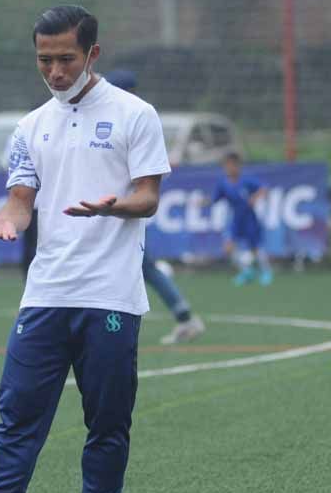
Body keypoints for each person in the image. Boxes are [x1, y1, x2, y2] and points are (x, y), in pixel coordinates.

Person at [0, 4, 170, 493]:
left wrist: (116, 205)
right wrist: (7, 222)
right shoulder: (29, 127)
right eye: (44, 60)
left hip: (111, 295)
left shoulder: (136, 114)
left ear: (92, 54)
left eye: (65, 59)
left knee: (107, 419)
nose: (53, 71)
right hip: (46, 293)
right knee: (17, 413)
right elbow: (21, 201)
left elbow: (148, 196)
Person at [104, 68, 205, 343]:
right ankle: (183, 316)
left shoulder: (133, 119)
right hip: (118, 211)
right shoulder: (127, 119)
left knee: (142, 267)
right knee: (142, 267)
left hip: (122, 211)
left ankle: (182, 317)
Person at [212, 152, 272, 286]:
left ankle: (266, 272)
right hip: (236, 219)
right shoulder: (223, 184)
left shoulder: (247, 180)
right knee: (228, 247)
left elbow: (264, 188)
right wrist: (202, 202)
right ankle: (247, 271)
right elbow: (214, 199)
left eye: (232, 165)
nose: (229, 168)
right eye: (226, 166)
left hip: (249, 218)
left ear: (238, 166)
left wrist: (255, 197)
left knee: (255, 247)